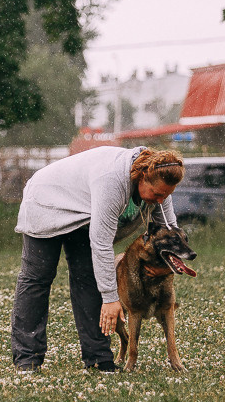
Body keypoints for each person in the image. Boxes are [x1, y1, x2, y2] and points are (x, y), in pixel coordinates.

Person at [11, 146, 185, 372]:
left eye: (166, 196)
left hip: (84, 212)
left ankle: (98, 359)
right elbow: (101, 244)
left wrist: (170, 266)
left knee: (88, 278)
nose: (161, 201)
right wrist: (111, 298)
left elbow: (170, 233)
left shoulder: (160, 182)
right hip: (47, 201)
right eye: (157, 194)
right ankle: (28, 360)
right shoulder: (112, 181)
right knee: (38, 278)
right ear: (143, 177)